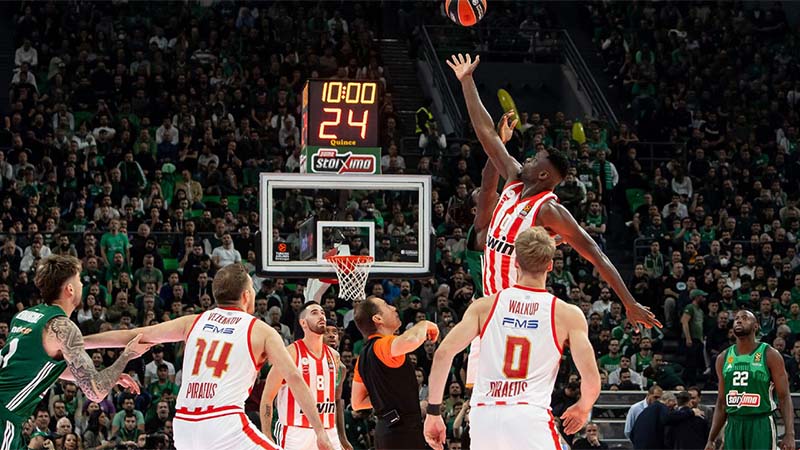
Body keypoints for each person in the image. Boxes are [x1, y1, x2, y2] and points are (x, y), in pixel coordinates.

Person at [446, 53, 659, 388]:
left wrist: (628, 302)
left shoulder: (549, 210)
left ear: (544, 173)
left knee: (508, 391)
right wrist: (467, 81)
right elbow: (486, 132)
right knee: (477, 392)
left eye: (535, 158)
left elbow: (594, 252)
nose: (528, 157)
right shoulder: (515, 178)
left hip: (518, 309)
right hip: (489, 303)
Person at [83, 263, 334, 450]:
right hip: (222, 423)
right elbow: (294, 378)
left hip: (183, 426)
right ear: (247, 296)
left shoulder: (194, 321)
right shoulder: (260, 330)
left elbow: (134, 335)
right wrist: (321, 432)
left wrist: (81, 343)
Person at [423, 227, 601, 450]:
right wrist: (583, 407)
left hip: (484, 416)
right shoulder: (567, 314)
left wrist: (433, 412)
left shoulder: (484, 307)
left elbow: (442, 354)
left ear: (516, 261)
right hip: (529, 414)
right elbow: (592, 381)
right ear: (550, 265)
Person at [0, 255, 146, 450]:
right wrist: (127, 355)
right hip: (5, 415)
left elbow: (51, 369)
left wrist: (111, 375)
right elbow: (95, 392)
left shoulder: (24, 316)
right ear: (70, 289)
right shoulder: (62, 327)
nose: (81, 286)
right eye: (79, 281)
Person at [350, 297, 439, 449]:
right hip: (401, 433)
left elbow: (357, 403)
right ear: (377, 318)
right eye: (386, 305)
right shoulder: (383, 344)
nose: (393, 308)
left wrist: (391, 399)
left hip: (386, 430)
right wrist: (424, 323)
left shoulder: (363, 356)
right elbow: (411, 340)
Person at [261, 303, 352, 450]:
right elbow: (267, 397)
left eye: (322, 312)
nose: (321, 316)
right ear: (303, 322)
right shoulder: (290, 353)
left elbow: (335, 400)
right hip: (296, 431)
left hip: (328, 430)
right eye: (315, 313)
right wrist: (266, 434)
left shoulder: (334, 356)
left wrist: (340, 436)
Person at [705, 310, 795, 450]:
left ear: (756, 326)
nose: (739, 320)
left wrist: (789, 434)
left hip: (760, 422)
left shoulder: (770, 354)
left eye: (745, 318)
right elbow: (722, 402)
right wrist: (711, 439)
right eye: (736, 318)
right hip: (733, 423)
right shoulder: (723, 358)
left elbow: (784, 397)